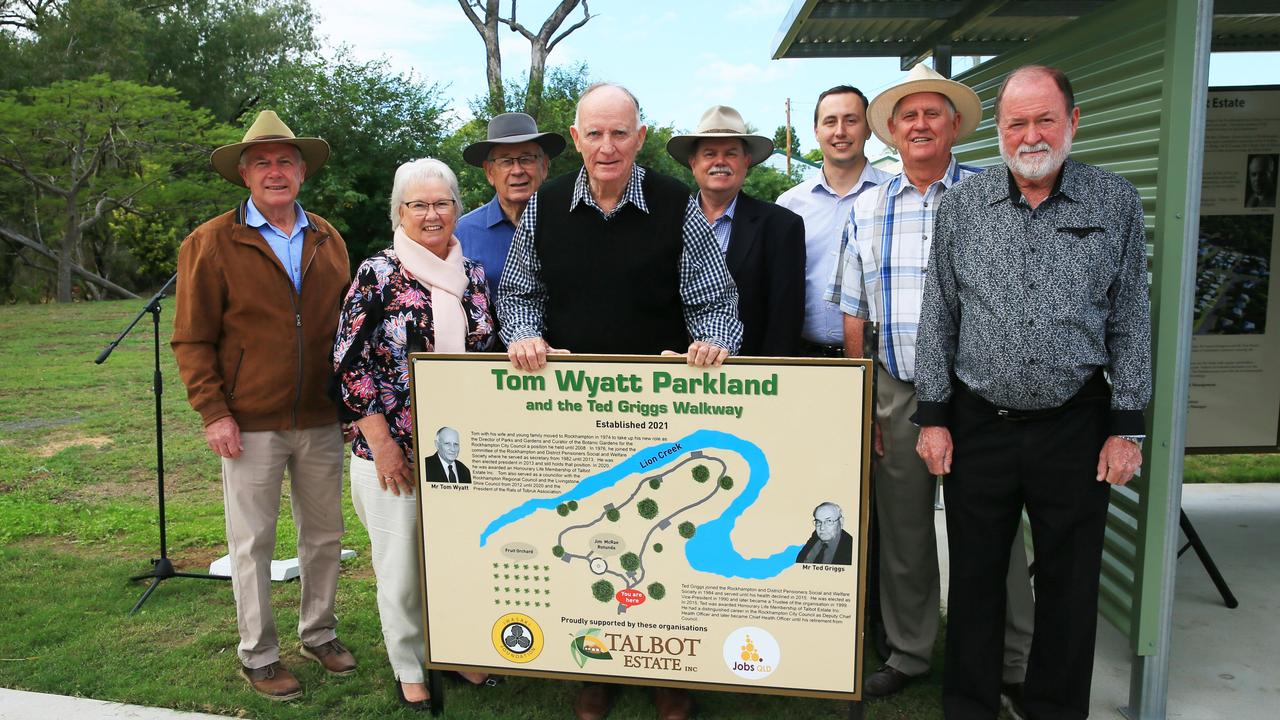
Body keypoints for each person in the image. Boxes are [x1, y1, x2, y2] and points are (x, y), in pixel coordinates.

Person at [913, 65, 1151, 720]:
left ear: (1073, 121)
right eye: (1016, 122)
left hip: (1075, 423)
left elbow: (1131, 317)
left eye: (1045, 118)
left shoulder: (1115, 202)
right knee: (976, 589)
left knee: (1070, 593)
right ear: (998, 130)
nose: (1031, 134)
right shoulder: (962, 205)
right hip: (978, 423)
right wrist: (932, 416)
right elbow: (940, 314)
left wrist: (1126, 426)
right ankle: (969, 709)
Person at [499, 82, 741, 720]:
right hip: (575, 412)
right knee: (590, 535)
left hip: (663, 409)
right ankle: (595, 665)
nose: (607, 147)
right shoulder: (545, 207)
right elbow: (519, 294)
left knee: (659, 535)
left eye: (620, 133)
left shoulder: (677, 204)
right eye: (594, 134)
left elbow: (714, 302)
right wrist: (525, 334)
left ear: (639, 136)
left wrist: (712, 344)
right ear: (576, 139)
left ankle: (670, 673)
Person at [828, 63, 1035, 700]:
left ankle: (1014, 660)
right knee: (905, 530)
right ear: (891, 131)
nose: (920, 124)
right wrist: (867, 400)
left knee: (995, 526)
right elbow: (853, 309)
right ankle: (911, 651)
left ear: (954, 126)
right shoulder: (866, 207)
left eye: (933, 114)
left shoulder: (996, 194)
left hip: (982, 393)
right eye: (909, 115)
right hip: (898, 387)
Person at [172, 110, 355, 701]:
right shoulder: (211, 242)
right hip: (248, 422)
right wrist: (214, 412)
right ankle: (258, 655)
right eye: (262, 163)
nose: (275, 172)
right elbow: (192, 338)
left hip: (322, 417)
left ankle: (319, 633)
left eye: (284, 161)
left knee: (324, 537)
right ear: (245, 175)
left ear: (301, 172)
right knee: (251, 544)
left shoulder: (328, 237)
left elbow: (347, 330)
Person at [332, 158, 496, 709]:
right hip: (391, 453)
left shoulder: (472, 275)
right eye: (418, 205)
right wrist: (383, 446)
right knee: (401, 571)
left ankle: (456, 649)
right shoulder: (376, 274)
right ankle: (409, 664)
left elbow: (488, 356)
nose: (432, 214)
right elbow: (348, 365)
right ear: (399, 212)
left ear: (457, 207)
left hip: (456, 451)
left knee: (456, 557)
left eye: (442, 202)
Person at [666, 105, 805, 356]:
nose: (720, 162)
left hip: (749, 380)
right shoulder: (665, 221)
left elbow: (785, 320)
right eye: (709, 154)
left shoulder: (782, 226)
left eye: (731, 153)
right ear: (693, 162)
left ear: (746, 161)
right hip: (672, 376)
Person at [777, 85, 892, 358]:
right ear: (816, 131)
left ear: (868, 129)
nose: (840, 131)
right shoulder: (789, 206)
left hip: (879, 362)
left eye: (851, 120)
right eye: (830, 121)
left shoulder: (894, 197)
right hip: (803, 358)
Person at [455, 112, 566, 305]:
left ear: (545, 166)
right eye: (506, 161)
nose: (517, 170)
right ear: (490, 172)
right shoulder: (461, 234)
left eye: (526, 159)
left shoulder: (570, 222)